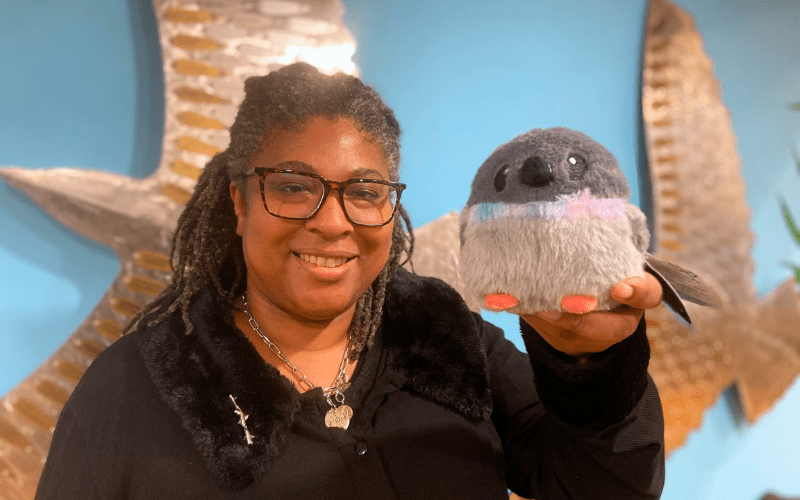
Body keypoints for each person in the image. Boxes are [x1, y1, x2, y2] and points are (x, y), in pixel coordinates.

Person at [35, 62, 665, 499]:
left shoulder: (444, 339)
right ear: (238, 201)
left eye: (364, 192)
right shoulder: (134, 390)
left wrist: (597, 369)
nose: (333, 222)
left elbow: (598, 486)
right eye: (292, 186)